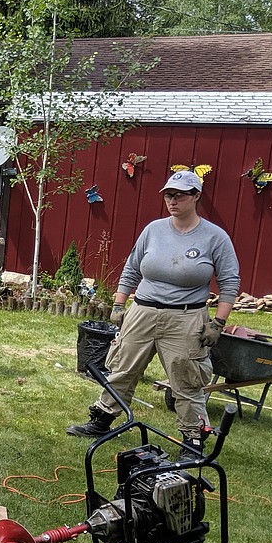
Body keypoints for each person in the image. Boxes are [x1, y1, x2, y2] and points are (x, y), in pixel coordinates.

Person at [66, 169, 240, 457]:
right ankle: (101, 420)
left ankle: (192, 440)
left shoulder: (214, 237)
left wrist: (218, 322)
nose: (172, 201)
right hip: (143, 311)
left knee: (186, 378)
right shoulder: (153, 230)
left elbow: (230, 280)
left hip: (186, 317)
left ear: (196, 196)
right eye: (168, 195)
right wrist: (120, 305)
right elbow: (132, 267)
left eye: (180, 195)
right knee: (122, 367)